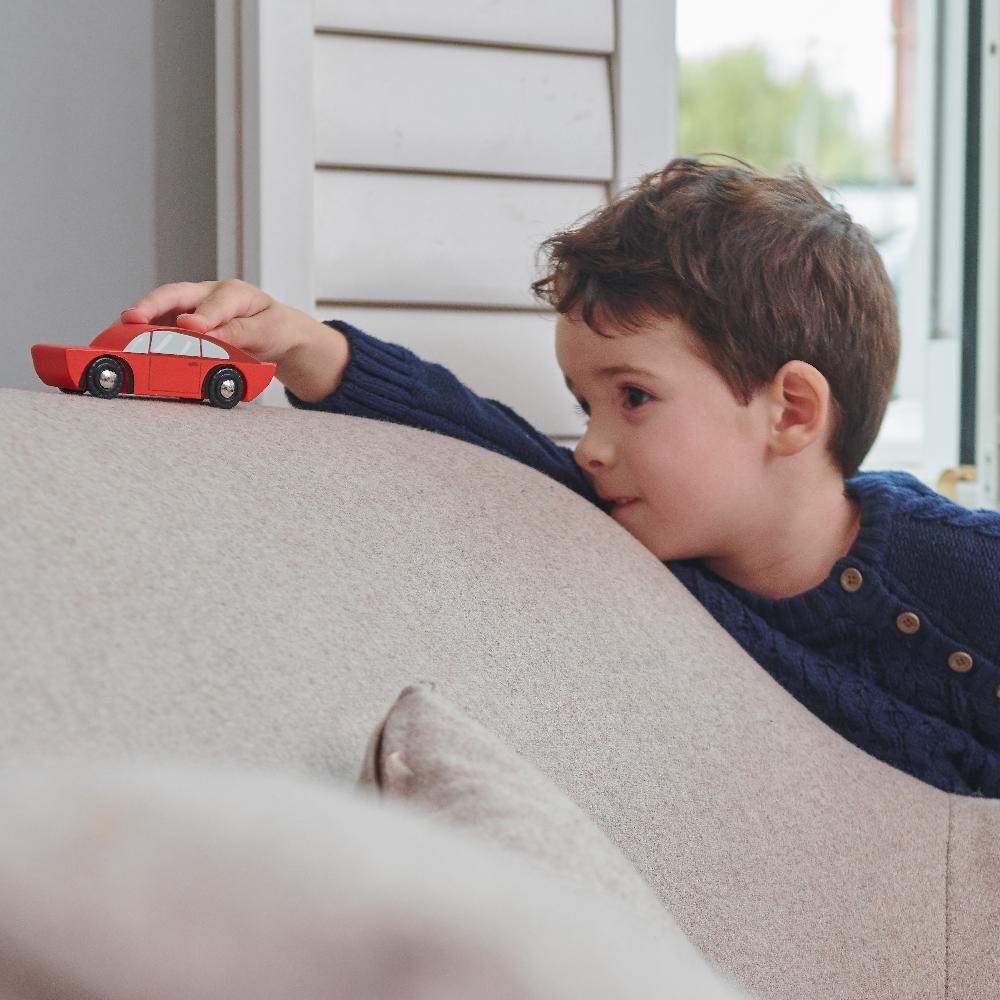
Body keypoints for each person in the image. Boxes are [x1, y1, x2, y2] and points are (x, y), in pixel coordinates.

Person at [123, 157, 1000, 797]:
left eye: (634, 398)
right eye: (586, 405)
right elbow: (498, 447)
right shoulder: (640, 549)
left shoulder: (962, 566)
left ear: (792, 412)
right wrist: (311, 349)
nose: (592, 447)